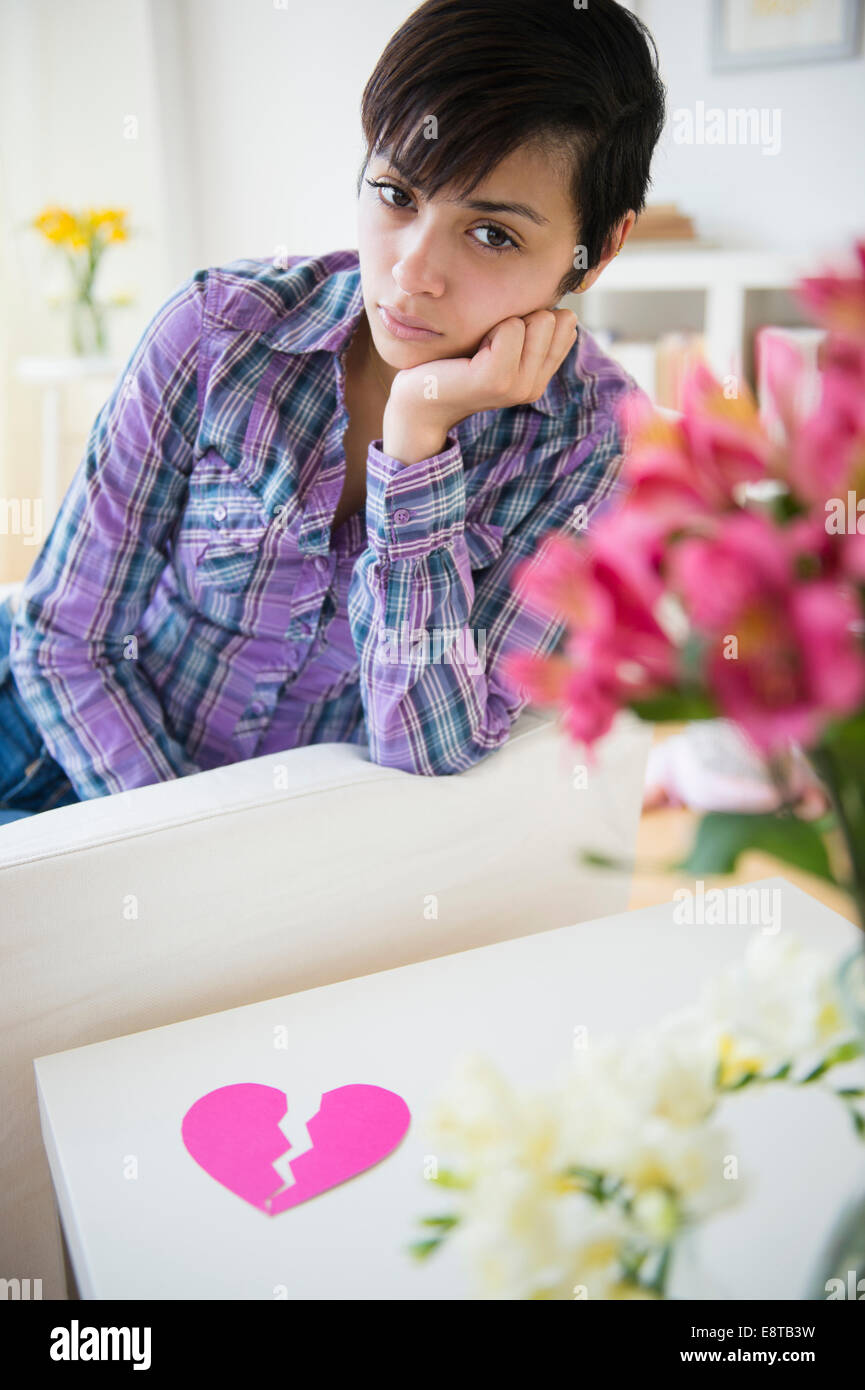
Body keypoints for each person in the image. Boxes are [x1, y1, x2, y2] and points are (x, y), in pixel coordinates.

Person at [0, 0, 665, 816]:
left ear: (596, 251)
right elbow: (63, 637)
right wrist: (186, 851)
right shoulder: (218, 333)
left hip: (281, 861)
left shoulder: (599, 450)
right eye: (395, 194)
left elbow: (428, 749)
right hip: (56, 757)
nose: (413, 271)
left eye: (491, 234)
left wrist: (417, 442)